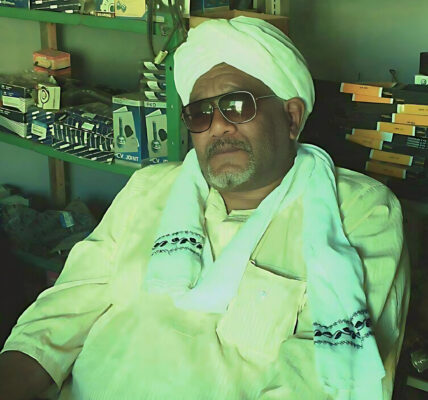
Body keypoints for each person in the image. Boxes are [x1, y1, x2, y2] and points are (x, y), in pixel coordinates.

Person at [0, 16, 409, 400]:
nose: (218, 126)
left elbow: (324, 385)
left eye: (237, 106)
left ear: (290, 117)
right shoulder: (149, 188)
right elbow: (59, 316)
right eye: (200, 113)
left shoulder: (358, 212)